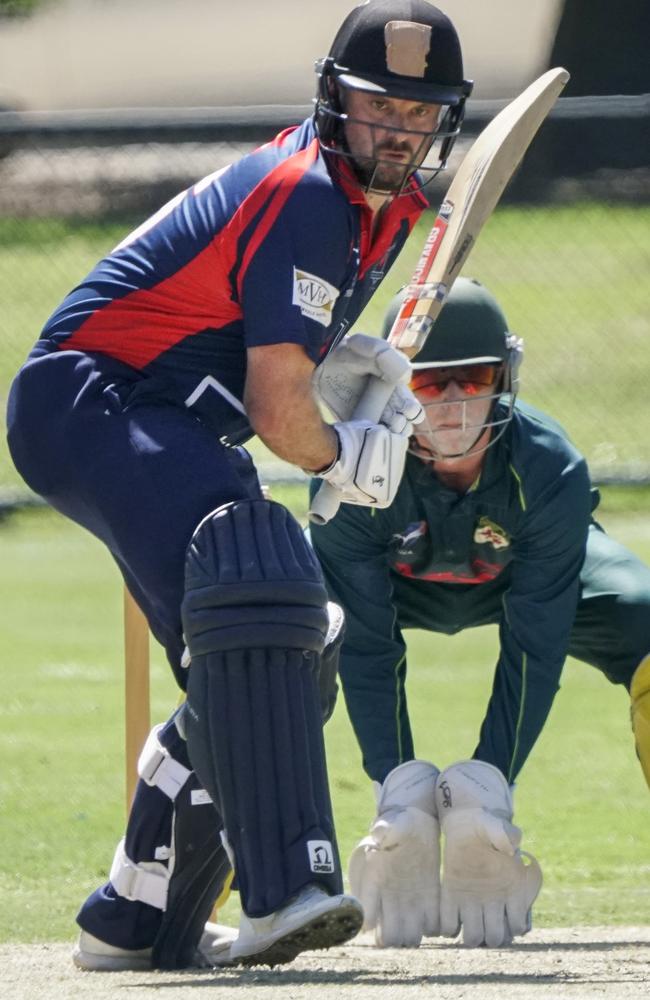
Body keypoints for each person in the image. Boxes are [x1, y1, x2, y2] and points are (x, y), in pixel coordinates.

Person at [6, 0, 473, 973]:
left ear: (443, 121)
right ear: (332, 101)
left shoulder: (382, 213)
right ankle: (284, 892)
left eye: (416, 112)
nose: (396, 128)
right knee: (262, 597)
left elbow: (273, 352)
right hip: (94, 398)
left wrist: (342, 390)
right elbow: (275, 406)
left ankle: (134, 917)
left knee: (295, 644)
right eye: (375, 105)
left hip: (166, 416)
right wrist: (342, 451)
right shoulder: (309, 190)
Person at [310, 276, 650, 950]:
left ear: (506, 376)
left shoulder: (548, 466)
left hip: (528, 582)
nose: (458, 404)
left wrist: (487, 786)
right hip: (391, 587)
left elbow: (536, 638)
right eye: (433, 386)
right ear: (396, 390)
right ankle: (258, 884)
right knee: (259, 626)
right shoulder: (351, 475)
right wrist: (399, 789)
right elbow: (370, 648)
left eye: (476, 378)